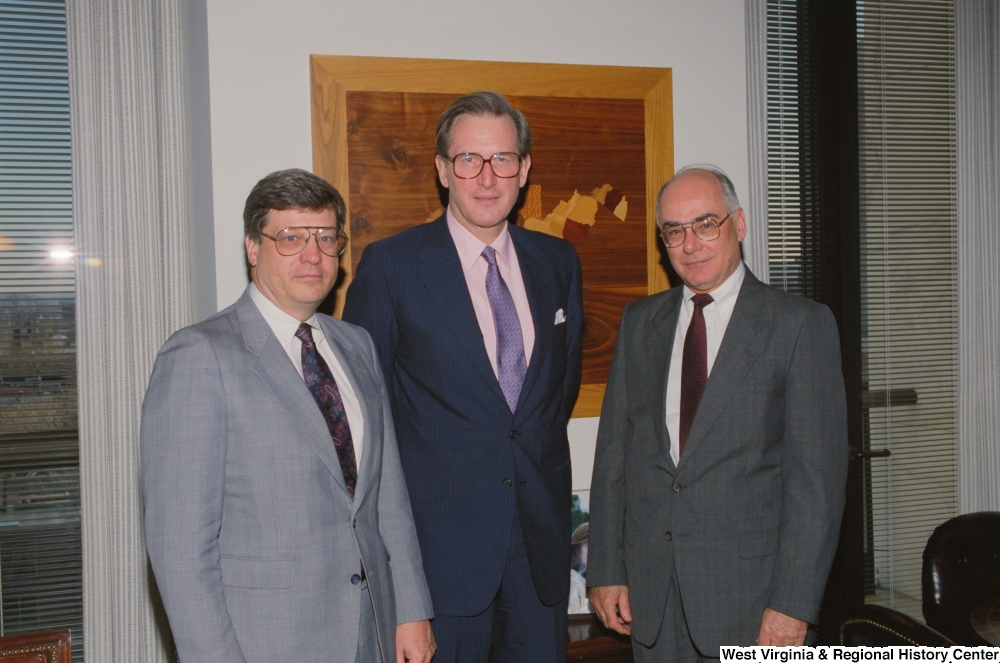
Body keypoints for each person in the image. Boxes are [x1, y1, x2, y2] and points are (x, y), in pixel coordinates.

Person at [141, 169, 435, 663]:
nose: (312, 255)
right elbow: (179, 551)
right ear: (253, 248)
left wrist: (411, 608)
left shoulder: (355, 344)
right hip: (269, 643)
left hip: (374, 629)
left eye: (325, 238)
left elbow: (387, 495)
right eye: (290, 238)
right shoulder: (199, 355)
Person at [343, 91, 583, 663]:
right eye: (468, 159)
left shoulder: (558, 262)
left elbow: (555, 396)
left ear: (524, 169)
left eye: (502, 158)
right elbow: (362, 423)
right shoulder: (391, 266)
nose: (486, 176)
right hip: (437, 563)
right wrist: (396, 582)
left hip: (538, 561)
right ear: (442, 169)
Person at [587, 165, 848, 660]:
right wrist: (605, 570)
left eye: (707, 224)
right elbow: (614, 458)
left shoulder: (799, 325)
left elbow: (817, 484)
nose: (691, 244)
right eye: (675, 231)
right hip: (652, 600)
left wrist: (794, 603)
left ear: (739, 225)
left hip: (753, 605)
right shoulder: (641, 323)